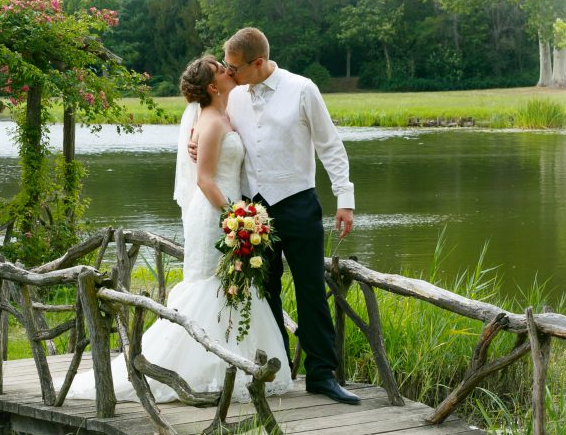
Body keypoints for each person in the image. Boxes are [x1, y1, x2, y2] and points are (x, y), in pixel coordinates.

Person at [68, 55, 293, 403]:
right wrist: (237, 217)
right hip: (216, 214)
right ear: (212, 86)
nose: (228, 71)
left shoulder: (224, 116)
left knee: (230, 288)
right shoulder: (212, 122)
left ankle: (227, 369)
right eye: (222, 70)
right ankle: (198, 371)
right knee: (211, 287)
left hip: (227, 209)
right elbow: (203, 180)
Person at [192, 27, 360, 405]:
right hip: (253, 213)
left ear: (259, 62)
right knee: (263, 294)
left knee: (311, 291)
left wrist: (344, 199)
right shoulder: (233, 98)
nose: (229, 74)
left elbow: (330, 145)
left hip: (299, 204)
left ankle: (322, 375)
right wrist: (195, 141)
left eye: (235, 68)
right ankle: (277, 371)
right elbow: (214, 130)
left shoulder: (302, 89)